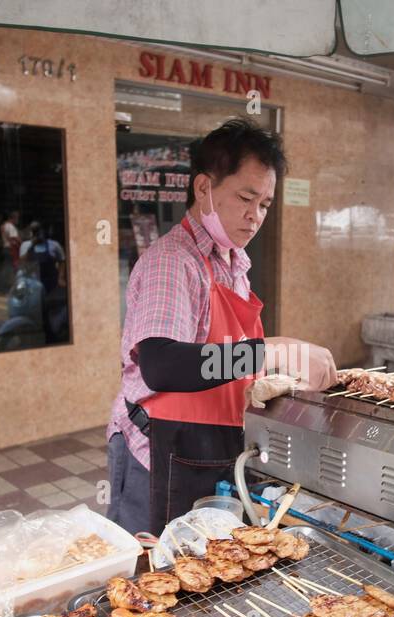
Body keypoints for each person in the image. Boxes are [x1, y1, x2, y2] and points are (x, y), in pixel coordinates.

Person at [106, 118, 336, 535]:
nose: (255, 216)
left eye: (265, 204)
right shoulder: (174, 262)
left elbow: (221, 359)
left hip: (211, 446)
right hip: (160, 454)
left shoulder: (232, 262)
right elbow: (162, 364)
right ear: (203, 188)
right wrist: (270, 349)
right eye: (246, 198)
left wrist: (272, 377)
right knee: (152, 579)